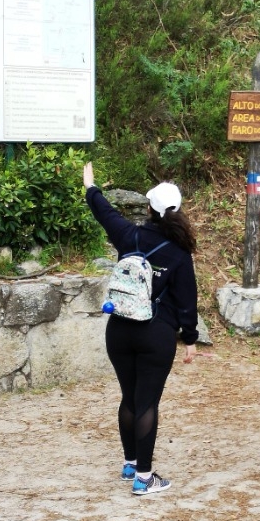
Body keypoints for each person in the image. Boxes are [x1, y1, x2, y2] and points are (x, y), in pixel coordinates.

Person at [83, 163, 198, 496]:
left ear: (149, 208)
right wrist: (190, 338)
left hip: (119, 329)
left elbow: (104, 212)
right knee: (147, 401)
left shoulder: (129, 235)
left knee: (130, 398)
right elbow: (187, 300)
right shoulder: (179, 252)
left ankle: (131, 463)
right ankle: (145, 479)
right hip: (155, 334)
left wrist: (91, 187)